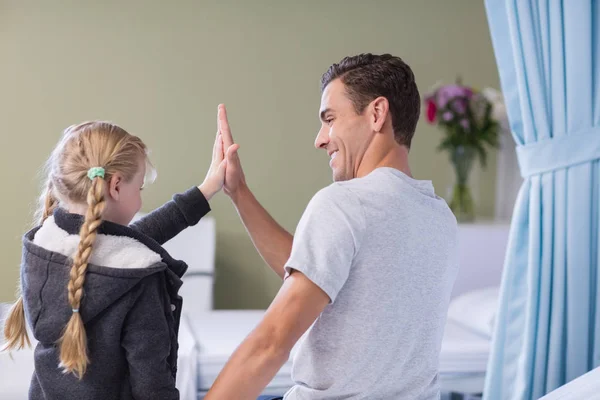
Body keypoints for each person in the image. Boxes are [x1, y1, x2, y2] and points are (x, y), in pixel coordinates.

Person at [206, 54, 459, 399]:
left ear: (376, 113)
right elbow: (319, 273)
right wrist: (239, 192)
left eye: (330, 119)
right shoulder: (439, 217)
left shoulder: (343, 204)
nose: (320, 139)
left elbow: (270, 344)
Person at [2, 121, 237, 399]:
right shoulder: (137, 279)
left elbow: (125, 240)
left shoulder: (44, 250)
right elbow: (152, 387)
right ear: (115, 186)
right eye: (139, 188)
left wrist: (206, 189)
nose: (139, 200)